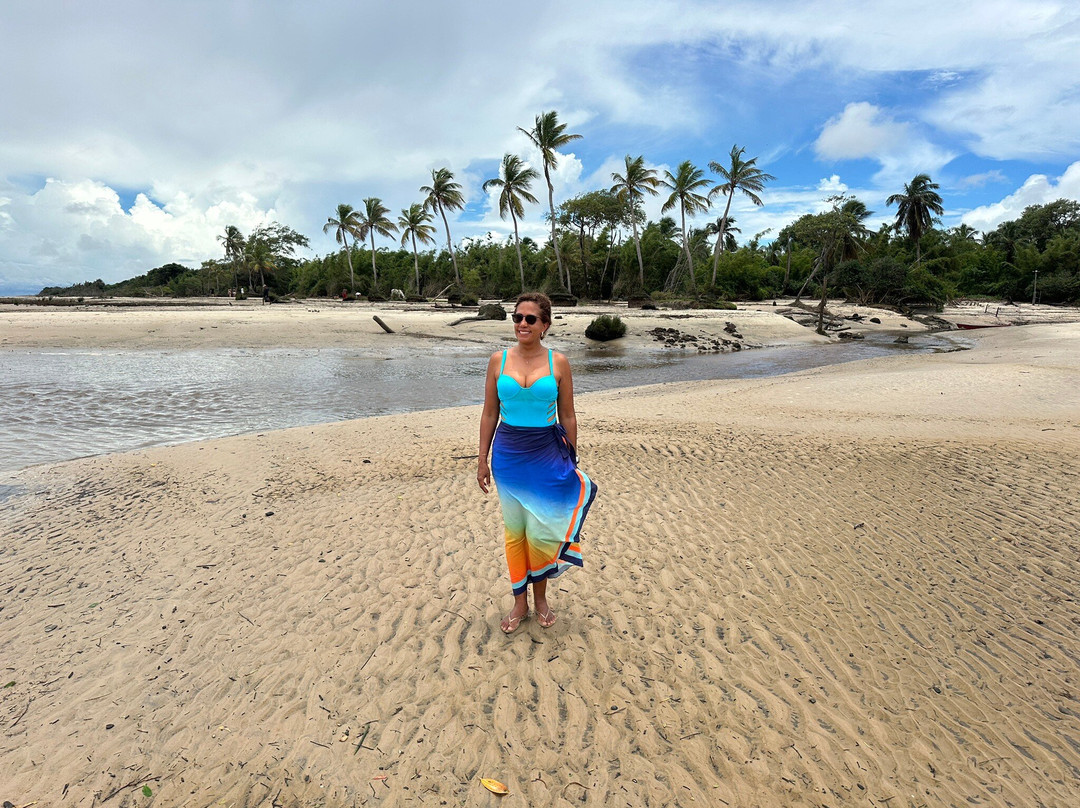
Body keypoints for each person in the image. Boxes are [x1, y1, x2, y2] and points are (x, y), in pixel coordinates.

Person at [477, 292, 597, 633]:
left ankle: (541, 599)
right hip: (509, 454)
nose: (522, 324)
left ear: (545, 325)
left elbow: (569, 415)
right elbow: (489, 413)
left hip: (547, 452)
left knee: (541, 531)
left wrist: (570, 457)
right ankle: (520, 601)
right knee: (516, 533)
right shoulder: (497, 361)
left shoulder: (558, 362)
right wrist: (481, 459)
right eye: (517, 318)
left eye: (530, 319)